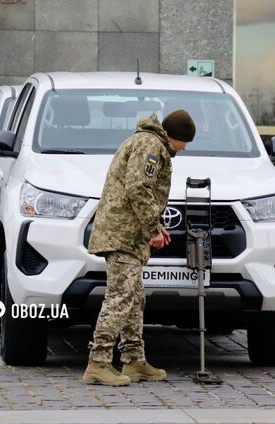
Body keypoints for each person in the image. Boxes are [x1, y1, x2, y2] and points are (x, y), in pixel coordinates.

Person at [82, 109, 195, 386]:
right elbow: (138, 188)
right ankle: (98, 362)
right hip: (123, 235)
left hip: (128, 234)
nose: (184, 148)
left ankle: (133, 359)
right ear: (174, 136)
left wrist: (153, 225)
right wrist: (153, 228)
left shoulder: (149, 142)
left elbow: (139, 191)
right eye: (184, 142)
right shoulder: (151, 145)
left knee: (134, 298)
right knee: (120, 298)